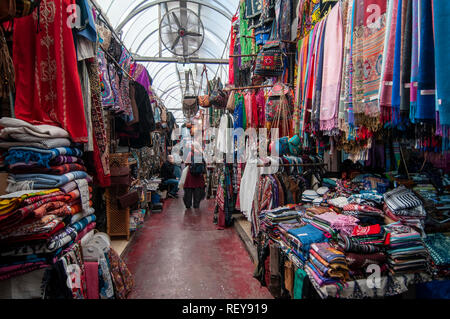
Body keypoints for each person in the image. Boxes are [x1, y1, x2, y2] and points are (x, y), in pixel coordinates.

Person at [183, 143, 206, 209]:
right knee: (197, 190)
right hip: (199, 176)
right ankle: (196, 204)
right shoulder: (201, 153)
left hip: (191, 175)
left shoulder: (191, 154)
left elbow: (187, 163)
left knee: (189, 190)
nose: (191, 147)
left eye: (192, 146)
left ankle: (188, 204)